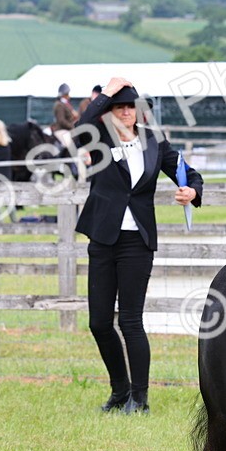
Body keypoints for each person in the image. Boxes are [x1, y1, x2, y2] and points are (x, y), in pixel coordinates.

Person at [76, 77, 203, 414]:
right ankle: (119, 391)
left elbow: (187, 173)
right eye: (120, 107)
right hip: (103, 238)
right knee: (99, 322)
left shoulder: (154, 142)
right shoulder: (99, 139)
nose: (127, 112)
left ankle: (140, 398)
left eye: (131, 106)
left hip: (137, 241)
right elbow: (79, 127)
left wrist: (191, 191)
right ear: (109, 112)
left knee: (131, 320)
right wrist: (105, 93)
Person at [53, 83, 79, 149]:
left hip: (68, 130)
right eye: (68, 94)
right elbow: (61, 120)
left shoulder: (66, 104)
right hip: (62, 130)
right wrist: (72, 126)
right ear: (65, 94)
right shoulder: (59, 105)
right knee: (69, 146)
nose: (69, 96)